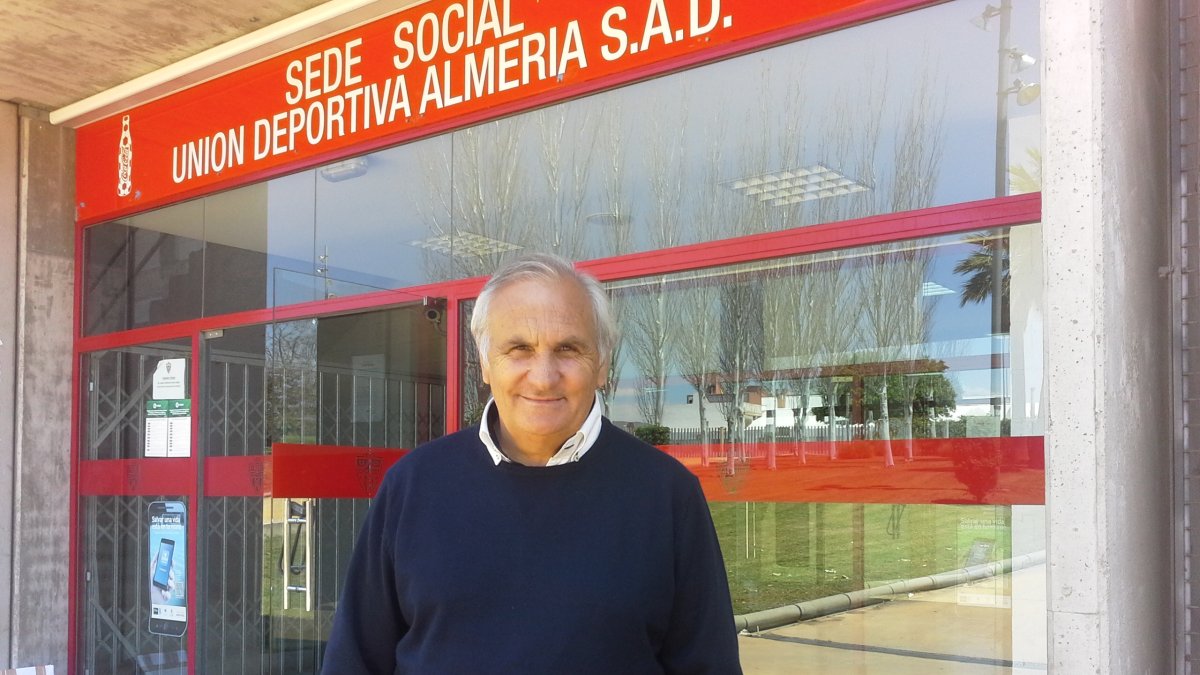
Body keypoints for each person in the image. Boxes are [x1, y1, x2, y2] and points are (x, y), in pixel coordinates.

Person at [323, 253, 741, 674]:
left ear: (602, 364)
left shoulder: (667, 494)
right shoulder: (412, 486)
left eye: (568, 349)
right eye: (519, 348)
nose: (543, 376)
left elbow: (709, 665)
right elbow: (354, 661)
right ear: (486, 363)